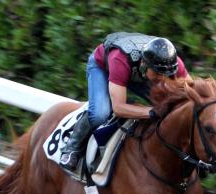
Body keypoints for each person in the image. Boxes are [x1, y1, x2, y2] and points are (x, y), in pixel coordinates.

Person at [59, 32, 192, 171]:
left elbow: (191, 94)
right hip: (104, 67)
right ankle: (71, 148)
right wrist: (151, 112)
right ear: (144, 63)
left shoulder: (172, 63)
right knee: (100, 113)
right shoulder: (120, 59)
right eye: (158, 73)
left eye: (166, 74)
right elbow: (119, 108)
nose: (162, 78)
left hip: (138, 74)